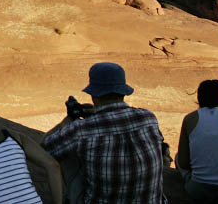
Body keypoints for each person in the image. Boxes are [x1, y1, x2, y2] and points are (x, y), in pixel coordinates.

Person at [42, 62, 168, 204]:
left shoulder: (82, 129)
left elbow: (45, 148)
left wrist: (70, 118)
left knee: (68, 152)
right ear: (123, 92)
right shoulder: (148, 118)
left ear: (94, 96)